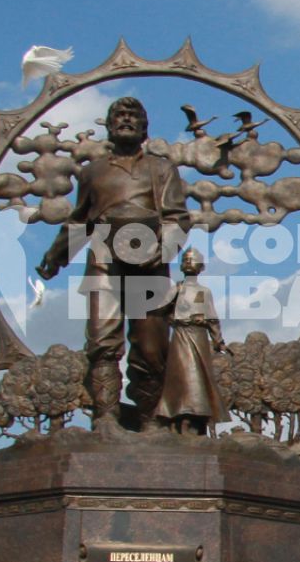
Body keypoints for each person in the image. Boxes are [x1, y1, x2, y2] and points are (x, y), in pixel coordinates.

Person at [36, 95, 191, 430]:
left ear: (145, 127)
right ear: (107, 125)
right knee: (101, 340)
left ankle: (153, 420)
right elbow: (80, 222)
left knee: (151, 347)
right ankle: (106, 417)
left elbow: (178, 218)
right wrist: (56, 256)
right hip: (104, 259)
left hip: (149, 261)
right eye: (118, 115)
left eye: (133, 116)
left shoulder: (161, 169)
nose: (125, 120)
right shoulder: (93, 172)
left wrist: (161, 252)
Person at [156, 247, 229, 434]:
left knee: (199, 377)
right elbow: (159, 309)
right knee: (182, 376)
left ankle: (199, 417)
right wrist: (171, 318)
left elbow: (212, 318)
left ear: (201, 266)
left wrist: (218, 341)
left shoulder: (204, 291)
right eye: (186, 260)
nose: (189, 263)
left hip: (199, 336)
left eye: (192, 260)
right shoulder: (177, 289)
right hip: (181, 335)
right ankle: (178, 414)